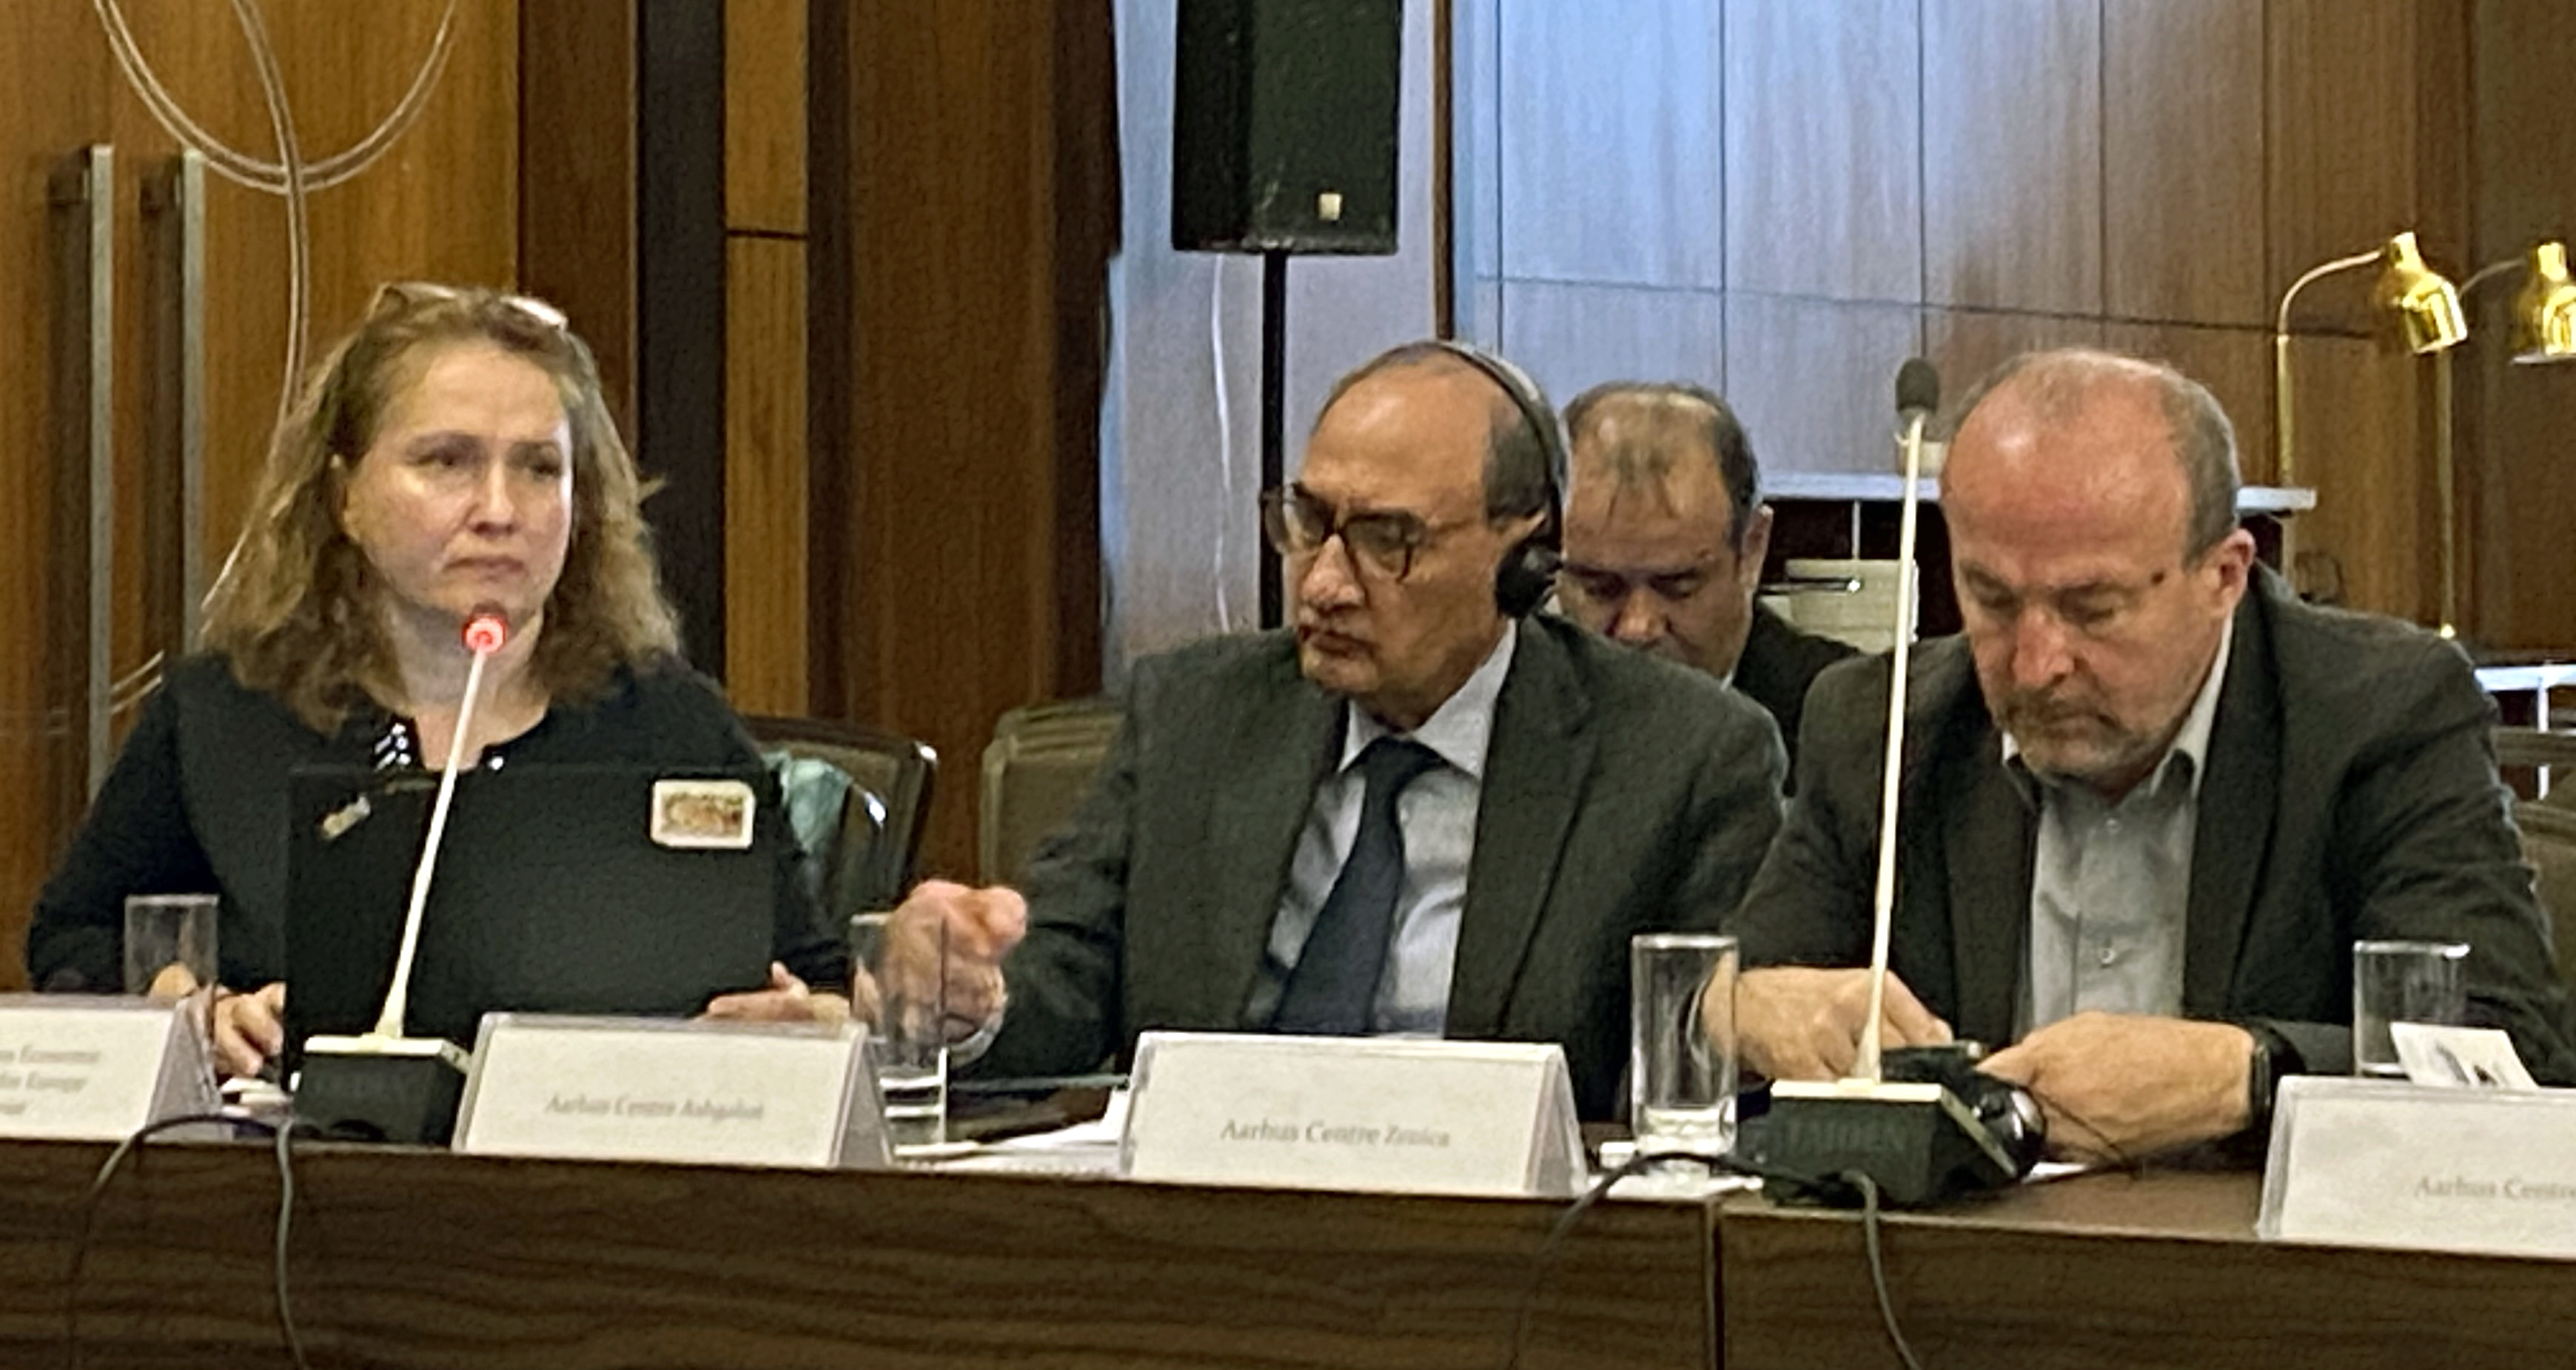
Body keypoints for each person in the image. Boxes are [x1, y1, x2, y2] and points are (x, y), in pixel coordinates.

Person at [899, 342, 1787, 1118]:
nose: (1324, 583)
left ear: (1524, 557)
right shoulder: (1197, 711)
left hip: (1497, 1235)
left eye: (1389, 540)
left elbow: (1689, 1085)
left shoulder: (1684, 756)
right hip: (1204, 1211)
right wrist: (965, 995)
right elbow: (1062, 972)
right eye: (1311, 523)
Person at [1730, 348, 2576, 1161]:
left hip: (2252, 1249)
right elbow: (1737, 1002)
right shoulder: (1883, 727)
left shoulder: (2380, 714)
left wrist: (2244, 1074)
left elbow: (2507, 1048)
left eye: (2092, 608)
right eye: (1991, 599)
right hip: (1951, 1247)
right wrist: (1746, 1010)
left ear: (2224, 577)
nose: (2037, 664)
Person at [25, 281, 843, 1075]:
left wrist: (809, 1021)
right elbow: (75, 940)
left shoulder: (669, 723)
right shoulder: (227, 712)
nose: (499, 510)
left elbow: (819, 981)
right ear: (344, 496)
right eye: (447, 461)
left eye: (539, 469)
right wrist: (195, 1011)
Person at [1556, 381, 1857, 784]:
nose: (1637, 627)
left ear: (1752, 549)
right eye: (1600, 588)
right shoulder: (1512, 707)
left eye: (1677, 586)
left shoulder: (1854, 727)